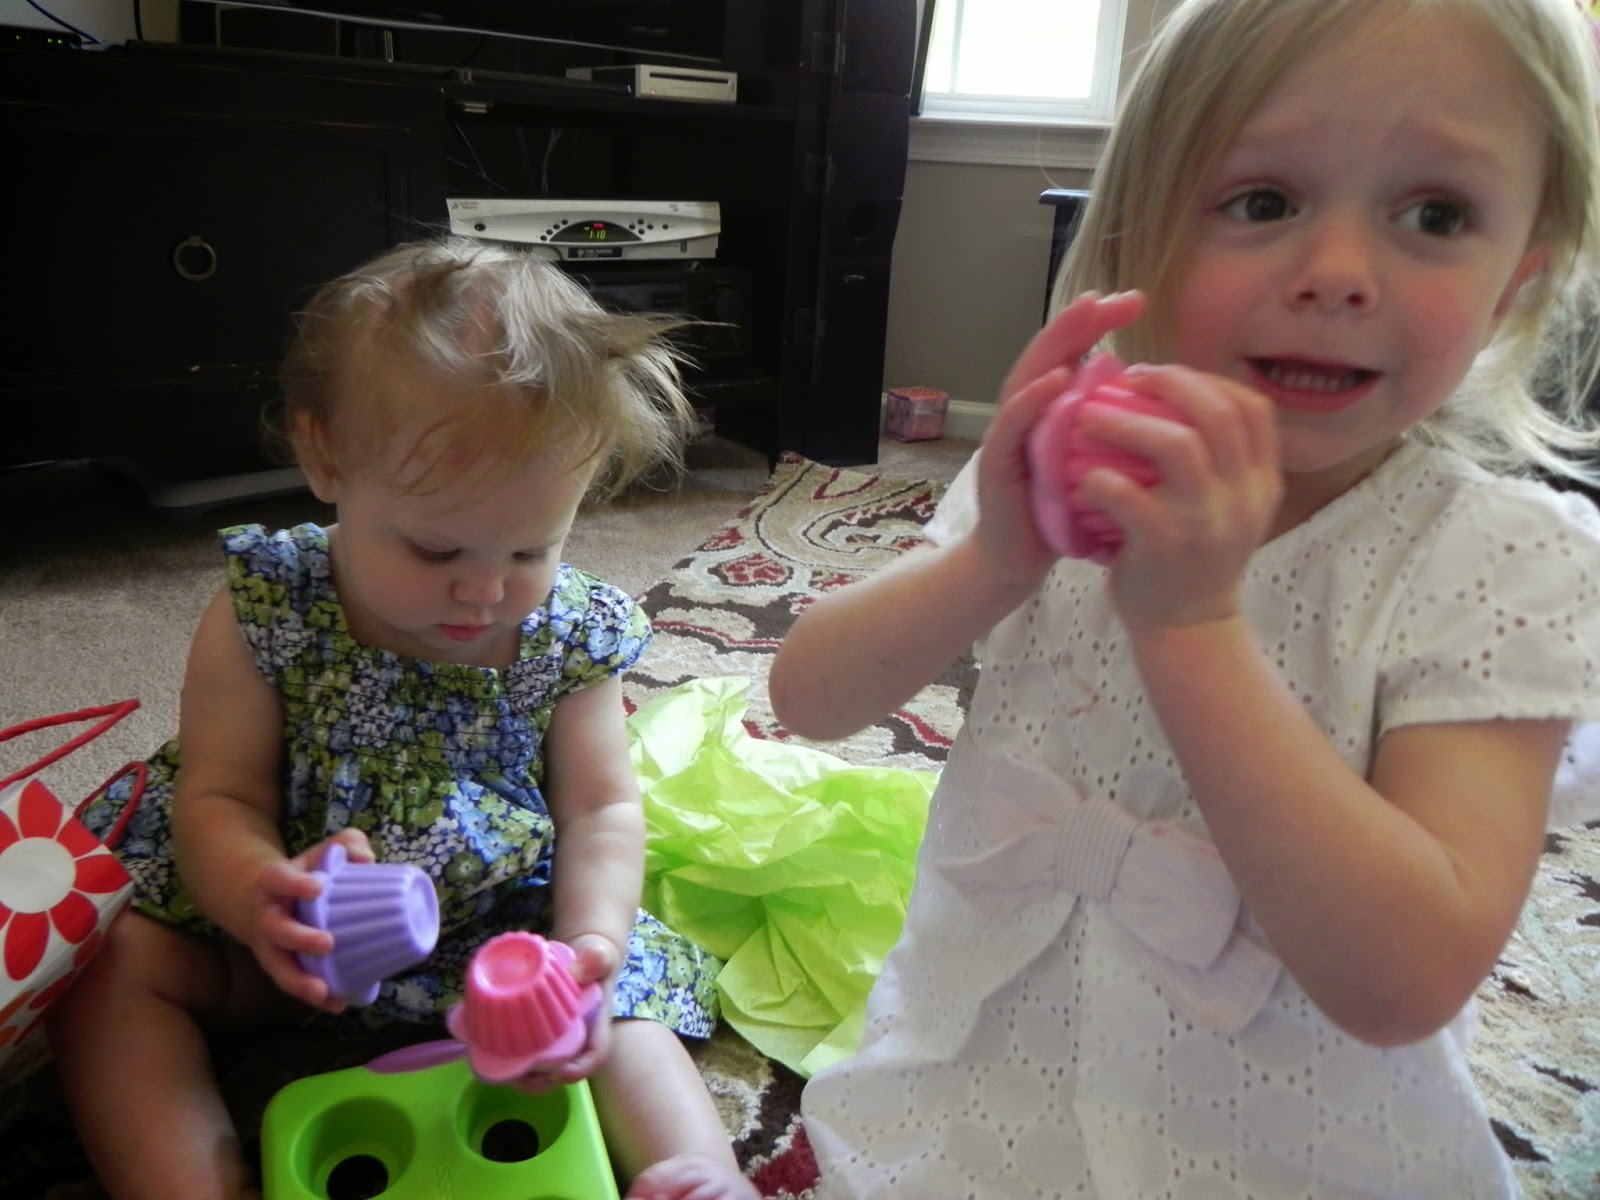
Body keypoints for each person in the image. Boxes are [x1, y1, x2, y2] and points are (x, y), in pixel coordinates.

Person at [768, 0, 1600, 1194]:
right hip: (967, 1106)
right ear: (1140, 235)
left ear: (1517, 282)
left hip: (1287, 1154)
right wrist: (993, 556)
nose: (1336, 276)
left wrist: (1193, 626)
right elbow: (806, 699)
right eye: (1262, 202)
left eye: (1434, 215)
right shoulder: (1073, 469)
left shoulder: (1505, 565)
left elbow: (1403, 980)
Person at [50, 236, 758, 1200]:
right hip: (283, 947)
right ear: (324, 454)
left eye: (531, 549)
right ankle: (186, 1180)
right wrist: (262, 897)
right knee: (111, 961)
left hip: (496, 943)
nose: (485, 590)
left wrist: (584, 945)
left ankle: (693, 1167)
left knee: (621, 997)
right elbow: (218, 795)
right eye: (435, 550)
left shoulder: (567, 632)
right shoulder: (270, 603)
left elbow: (601, 808)